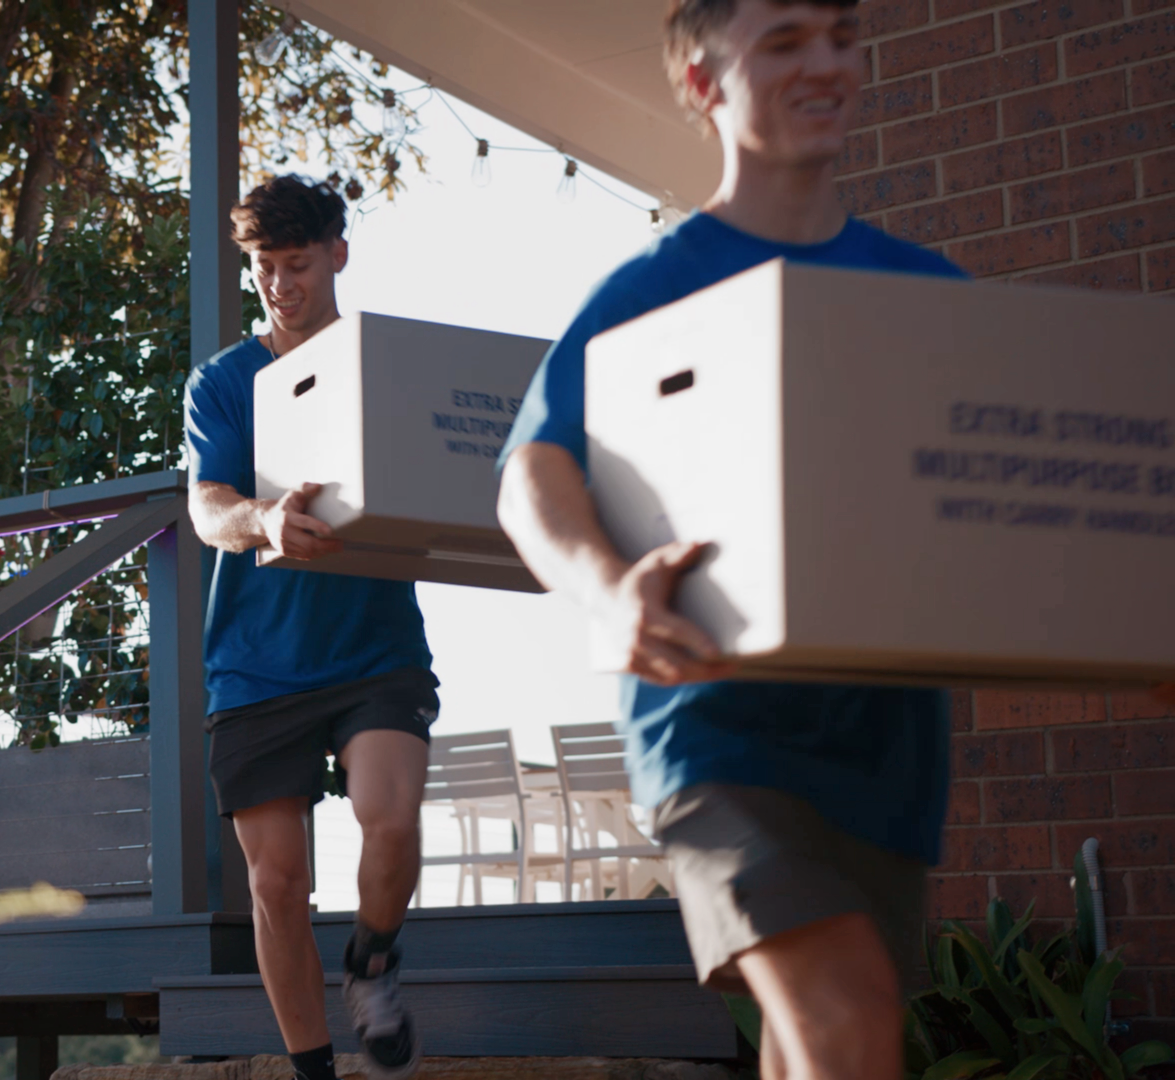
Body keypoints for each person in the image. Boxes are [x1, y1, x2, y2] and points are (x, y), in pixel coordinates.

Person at [495, 4, 964, 1080]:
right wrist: (609, 592)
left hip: (886, 754)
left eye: (841, 36)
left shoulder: (929, 296)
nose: (827, 64)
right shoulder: (653, 289)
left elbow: (994, 502)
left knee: (819, 1043)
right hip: (717, 738)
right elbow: (530, 474)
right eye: (785, 42)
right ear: (703, 86)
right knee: (846, 1012)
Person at [185, 174, 435, 1080]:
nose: (279, 283)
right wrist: (264, 521)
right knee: (275, 882)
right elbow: (208, 506)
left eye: (296, 263)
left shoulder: (386, 364)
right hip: (257, 662)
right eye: (265, 266)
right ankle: (315, 1071)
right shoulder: (223, 382)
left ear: (337, 254)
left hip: (376, 646)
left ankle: (373, 958)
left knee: (391, 820)